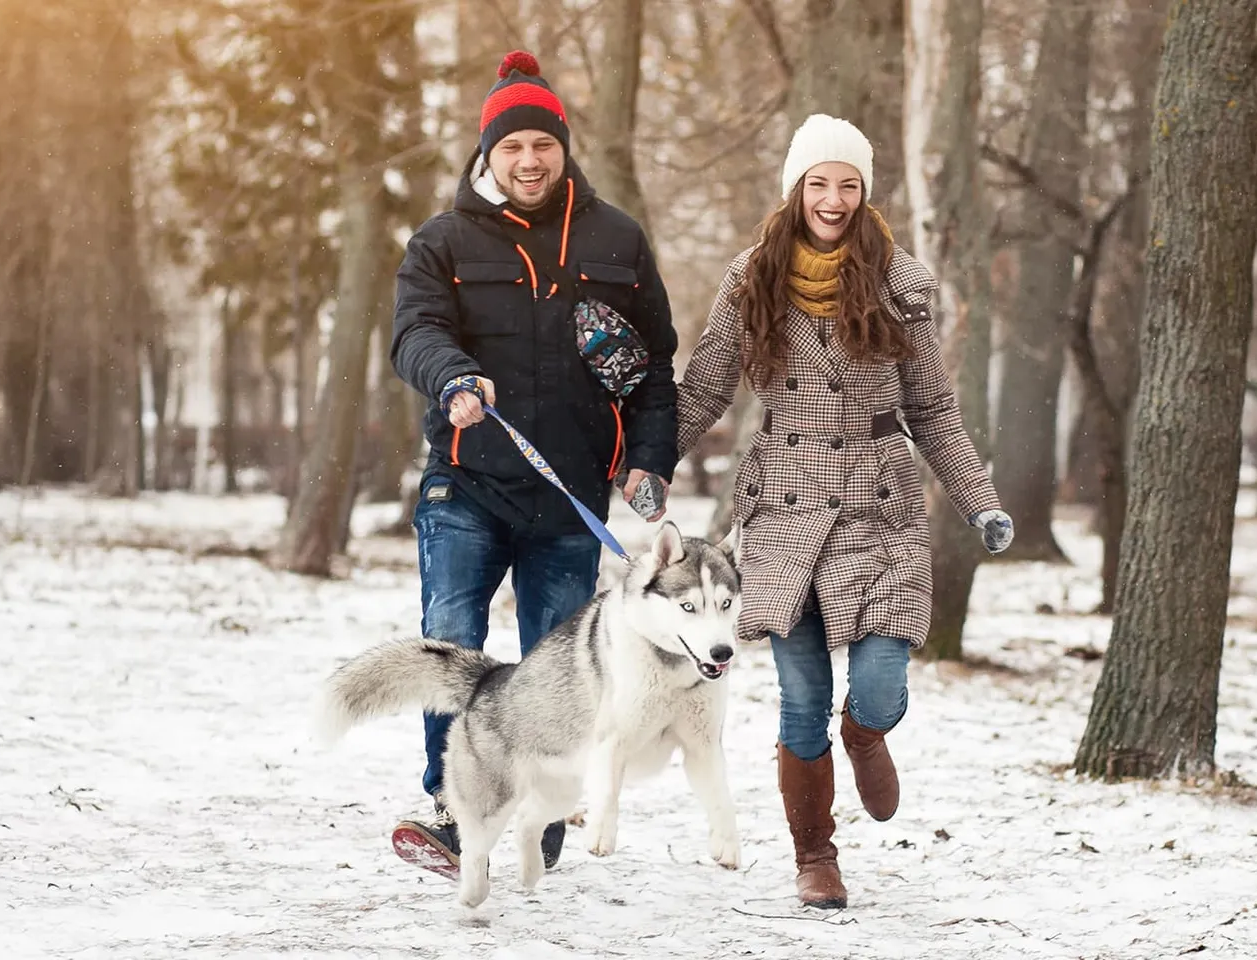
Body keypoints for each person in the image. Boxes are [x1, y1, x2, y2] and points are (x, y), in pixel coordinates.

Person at [675, 113, 1013, 909]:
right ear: (796, 189)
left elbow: (933, 409)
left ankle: (865, 733)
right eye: (819, 183)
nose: (833, 198)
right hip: (784, 507)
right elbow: (706, 388)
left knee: (883, 685)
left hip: (877, 506)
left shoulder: (902, 285)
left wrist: (981, 503)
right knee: (799, 700)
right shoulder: (751, 277)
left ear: (864, 194)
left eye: (848, 184)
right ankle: (815, 857)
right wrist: (644, 462)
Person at [386, 50, 679, 878]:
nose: (527, 160)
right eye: (510, 147)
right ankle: (457, 808)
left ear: (562, 147)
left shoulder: (616, 239)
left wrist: (649, 461)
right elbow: (413, 333)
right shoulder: (441, 241)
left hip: (569, 495)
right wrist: (451, 378)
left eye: (540, 145)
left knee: (558, 670)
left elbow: (655, 366)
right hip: (466, 482)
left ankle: (540, 810)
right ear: (488, 154)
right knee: (452, 639)